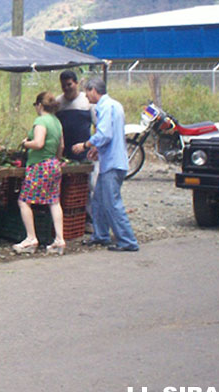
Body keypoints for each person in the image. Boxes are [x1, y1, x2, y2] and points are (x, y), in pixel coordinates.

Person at [72, 78, 139, 252]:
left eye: (86, 92)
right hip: (112, 160)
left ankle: (127, 240)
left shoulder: (104, 107)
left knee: (112, 202)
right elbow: (111, 135)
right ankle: (101, 235)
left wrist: (86, 145)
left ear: (93, 90)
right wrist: (96, 148)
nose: (86, 96)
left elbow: (104, 135)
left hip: (112, 163)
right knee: (99, 200)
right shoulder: (115, 105)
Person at [13, 92, 66, 255]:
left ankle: (31, 239)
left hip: (39, 166)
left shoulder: (41, 121)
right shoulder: (57, 122)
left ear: (40, 105)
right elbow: (61, 146)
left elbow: (38, 143)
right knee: (54, 201)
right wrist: (56, 159)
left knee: (24, 201)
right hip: (54, 165)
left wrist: (26, 143)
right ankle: (59, 240)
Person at [54, 70, 92, 161]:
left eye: (69, 84)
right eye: (63, 86)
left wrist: (92, 146)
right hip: (64, 152)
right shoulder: (58, 102)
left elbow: (98, 125)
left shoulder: (87, 100)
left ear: (76, 83)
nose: (66, 88)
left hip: (83, 151)